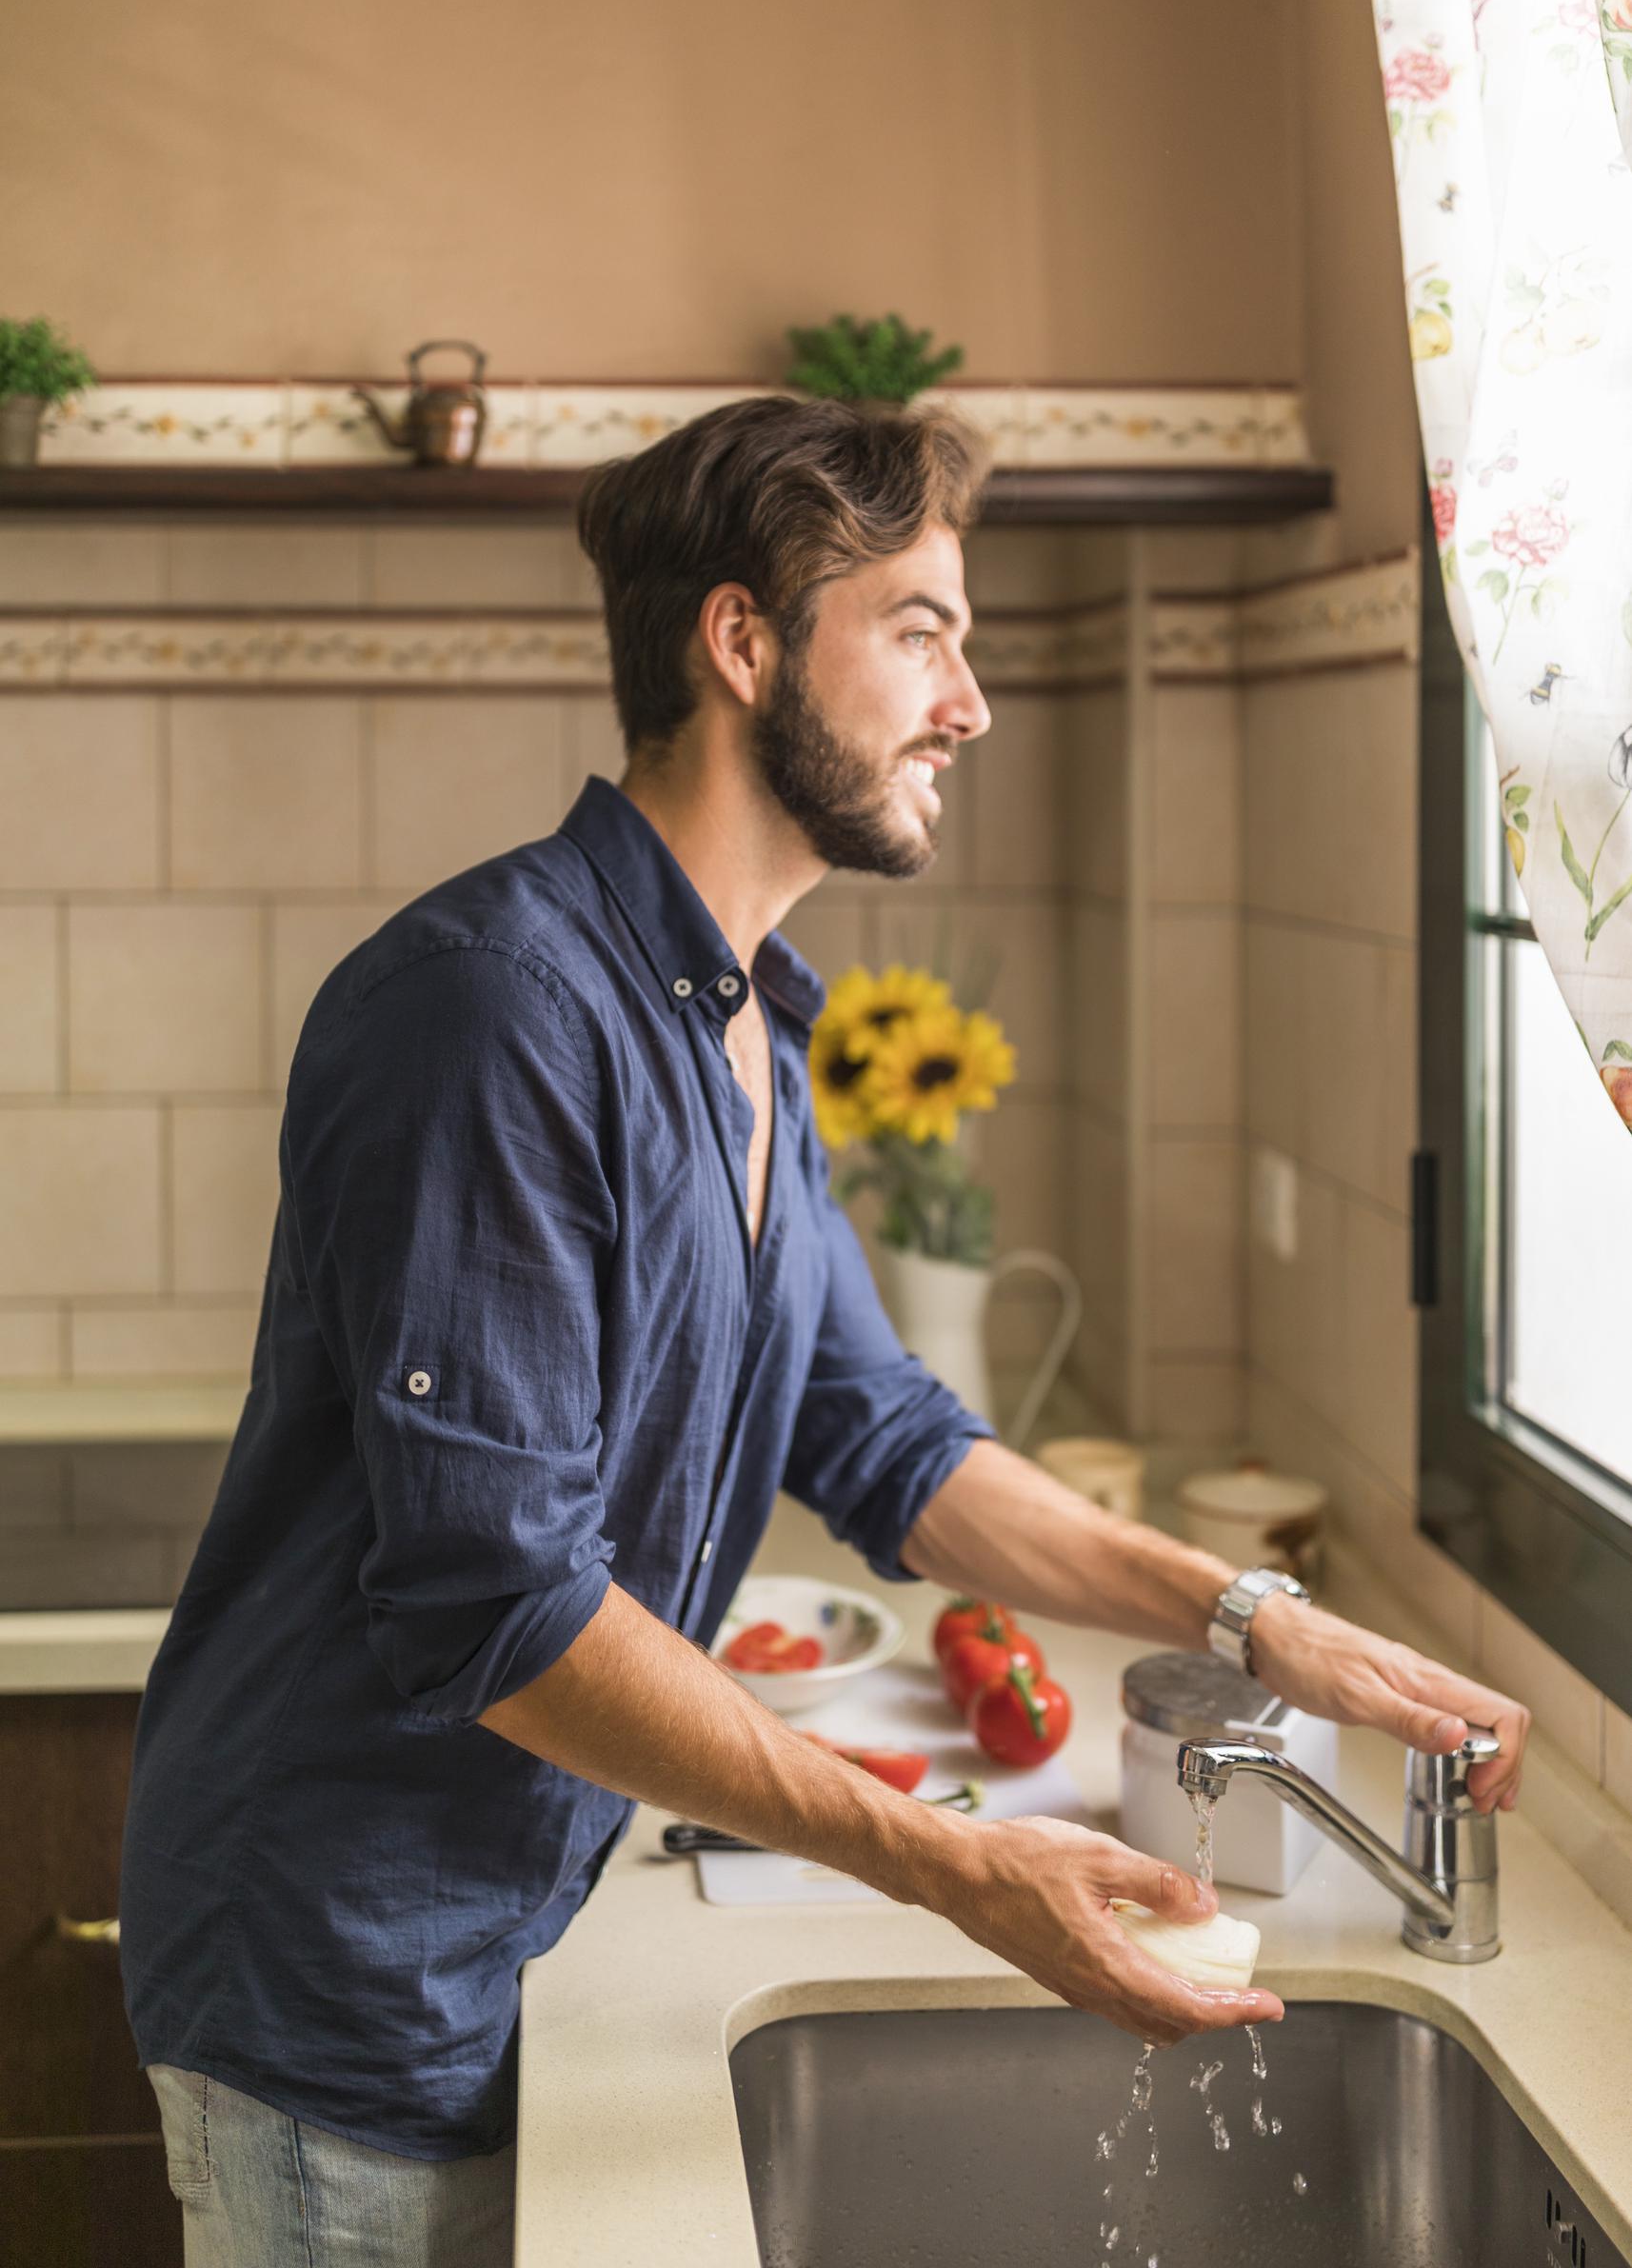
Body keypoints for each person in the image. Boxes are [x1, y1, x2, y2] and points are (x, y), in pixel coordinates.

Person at [119, 394, 1530, 2267]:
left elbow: (882, 1437)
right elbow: (496, 1611)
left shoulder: (747, 1027)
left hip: (505, 1932)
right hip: (342, 1987)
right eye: (923, 631)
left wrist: (1253, 1618)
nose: (972, 705)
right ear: (741, 642)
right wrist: (961, 1868)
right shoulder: (496, 1016)